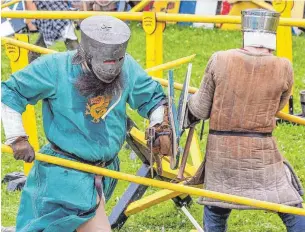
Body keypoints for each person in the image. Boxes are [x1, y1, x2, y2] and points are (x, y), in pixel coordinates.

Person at [1, 15, 172, 232]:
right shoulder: (56, 68)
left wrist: (159, 126)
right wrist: (17, 137)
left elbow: (154, 98)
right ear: (86, 54)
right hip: (65, 174)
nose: (112, 69)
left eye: (117, 62)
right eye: (107, 63)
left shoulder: (127, 67)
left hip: (105, 170)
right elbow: (11, 91)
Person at [184, 9, 305, 232]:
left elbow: (200, 109)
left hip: (222, 152)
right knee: (290, 204)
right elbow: (277, 107)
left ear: (244, 32)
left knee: (216, 205)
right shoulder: (284, 66)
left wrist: (187, 102)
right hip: (260, 151)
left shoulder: (220, 59)